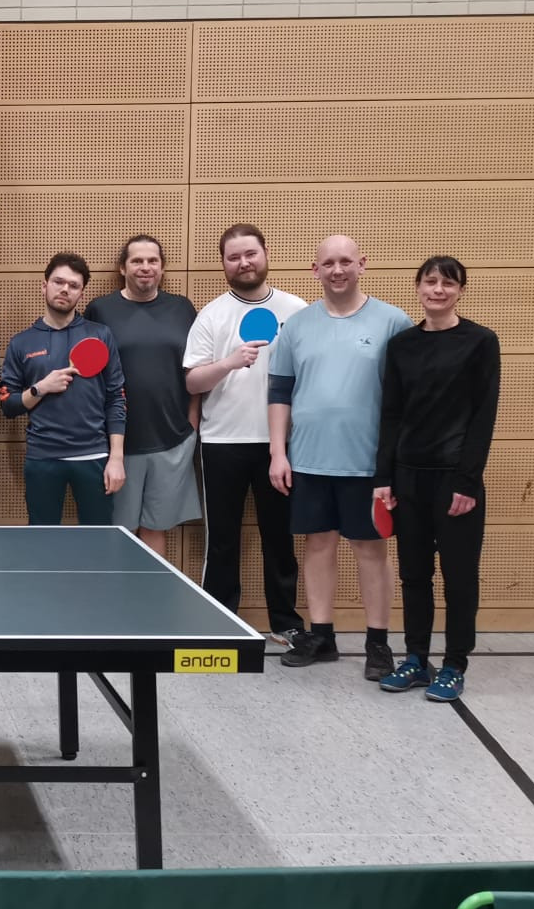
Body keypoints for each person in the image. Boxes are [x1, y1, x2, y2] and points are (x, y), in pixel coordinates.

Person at [267, 235, 412, 676]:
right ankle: (323, 636)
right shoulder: (297, 326)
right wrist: (278, 452)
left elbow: (406, 397)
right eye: (328, 263)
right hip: (309, 459)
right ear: (315, 270)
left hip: (368, 464)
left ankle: (378, 643)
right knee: (318, 545)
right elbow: (279, 392)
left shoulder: (393, 322)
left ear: (362, 264)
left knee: (371, 550)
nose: (337, 270)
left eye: (345, 261)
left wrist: (395, 464)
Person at [374, 257, 500, 702]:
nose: (439, 290)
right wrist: (383, 477)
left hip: (455, 480)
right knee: (414, 575)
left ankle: (454, 664)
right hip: (408, 478)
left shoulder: (481, 342)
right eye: (431, 282)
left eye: (448, 283)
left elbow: (483, 417)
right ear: (418, 288)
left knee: (460, 575)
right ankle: (415, 658)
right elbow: (390, 413)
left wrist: (468, 481)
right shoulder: (402, 344)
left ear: (461, 291)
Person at [184, 223, 310, 642]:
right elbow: (193, 383)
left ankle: (287, 624)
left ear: (265, 253)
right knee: (222, 538)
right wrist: (229, 362)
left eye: (250, 254)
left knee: (280, 538)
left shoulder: (297, 310)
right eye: (234, 257)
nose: (243, 262)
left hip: (281, 446)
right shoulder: (211, 314)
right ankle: (220, 623)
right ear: (224, 264)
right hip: (222, 443)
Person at [85, 234, 200, 556]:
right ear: (123, 267)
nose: (145, 267)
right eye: (137, 261)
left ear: (162, 268)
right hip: (119, 444)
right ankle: (115, 603)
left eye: (153, 261)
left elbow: (196, 370)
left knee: (155, 529)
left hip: (172, 440)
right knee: (118, 532)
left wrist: (191, 424)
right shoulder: (101, 310)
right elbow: (89, 377)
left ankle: (153, 604)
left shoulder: (182, 308)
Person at [0, 253, 126, 525]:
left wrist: (116, 458)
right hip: (43, 457)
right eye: (58, 282)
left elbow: (116, 398)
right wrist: (40, 388)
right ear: (44, 285)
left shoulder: (100, 335)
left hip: (94, 456)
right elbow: (7, 405)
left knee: (98, 541)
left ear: (81, 293)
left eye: (73, 285)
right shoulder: (21, 342)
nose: (65, 289)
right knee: (42, 543)